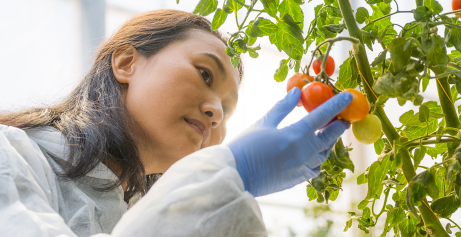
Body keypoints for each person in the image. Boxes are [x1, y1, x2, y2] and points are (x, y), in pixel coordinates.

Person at [0, 9, 352, 237]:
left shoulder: (136, 211)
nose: (216, 113)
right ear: (125, 63)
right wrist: (232, 173)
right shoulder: (11, 155)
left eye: (228, 113)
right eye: (204, 73)